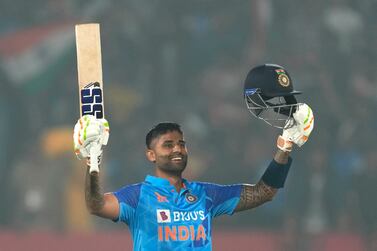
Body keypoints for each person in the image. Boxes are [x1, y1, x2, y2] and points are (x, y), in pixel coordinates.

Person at [73, 65, 314, 251]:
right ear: (151, 155)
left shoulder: (204, 195)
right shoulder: (137, 197)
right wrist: (92, 161)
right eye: (168, 145)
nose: (177, 149)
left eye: (181, 144)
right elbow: (95, 205)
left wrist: (287, 144)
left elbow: (264, 192)